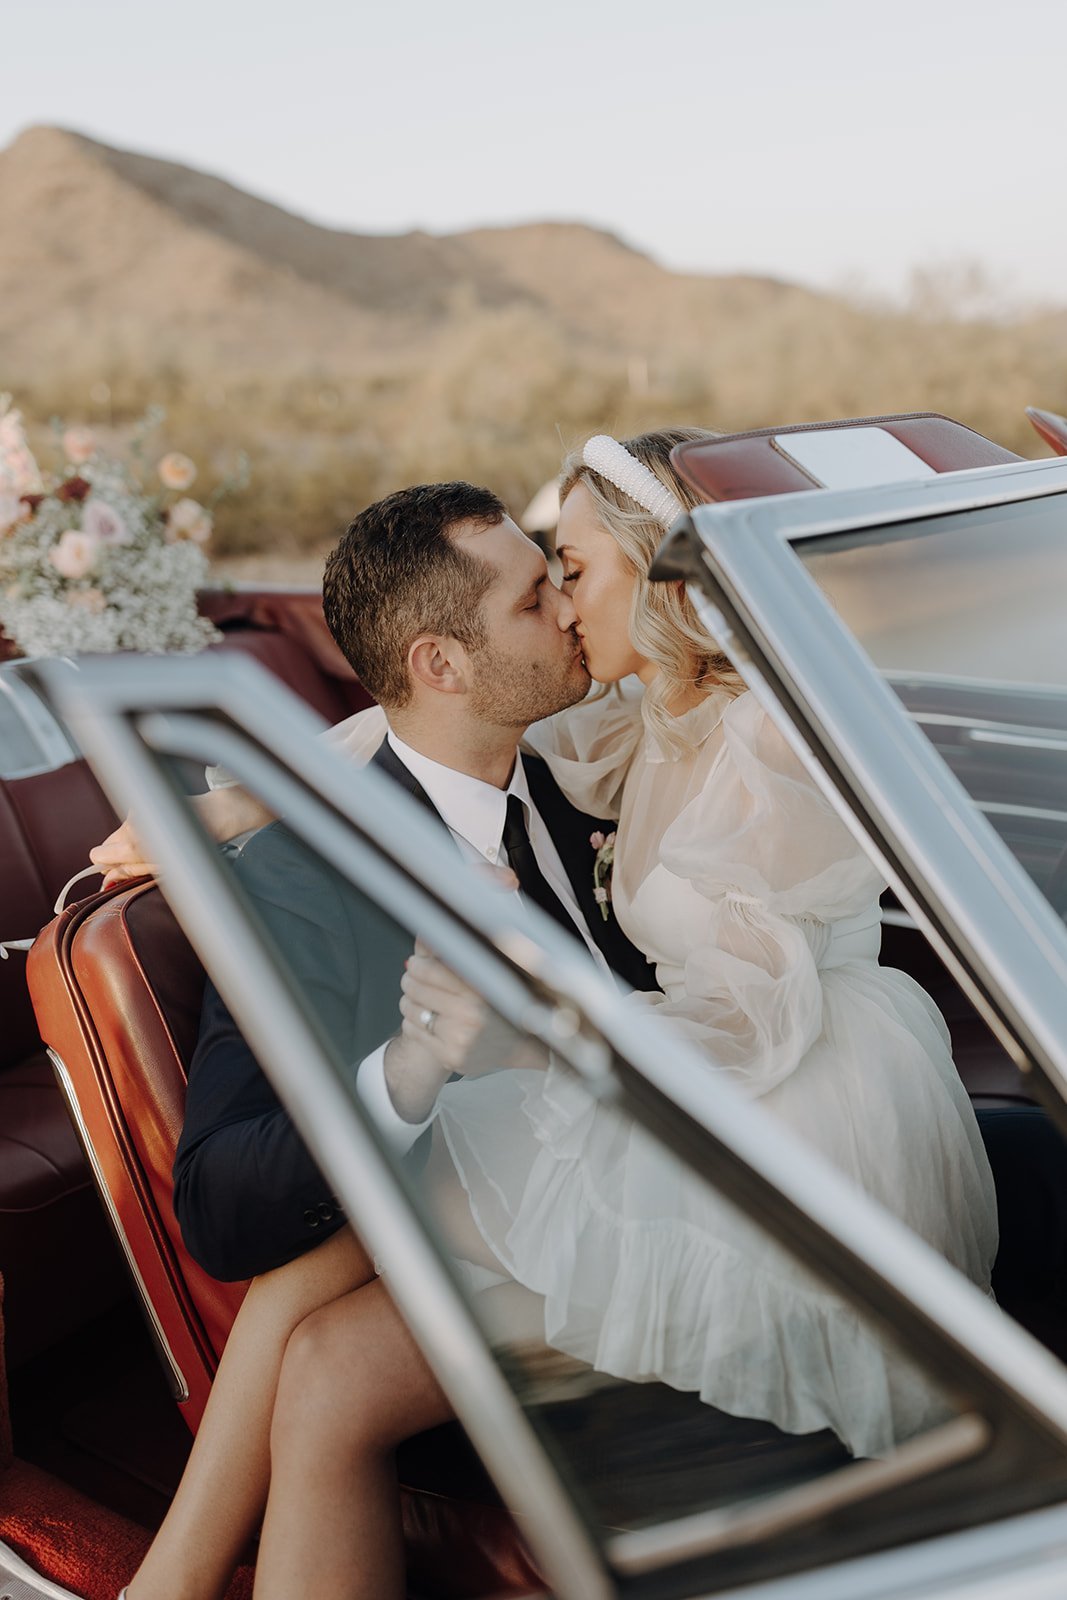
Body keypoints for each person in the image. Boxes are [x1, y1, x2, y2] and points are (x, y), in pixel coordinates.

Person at [100, 434, 998, 1600]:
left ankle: (168, 1578)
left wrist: (525, 1036)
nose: (566, 609)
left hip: (766, 1115)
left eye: (567, 571)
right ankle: (166, 1579)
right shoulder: (557, 756)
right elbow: (222, 1202)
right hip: (659, 1119)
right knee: (329, 1343)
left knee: (371, 1224)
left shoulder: (689, 738)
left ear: (662, 579)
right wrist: (230, 809)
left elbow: (735, 1012)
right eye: (541, 589)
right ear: (443, 662)